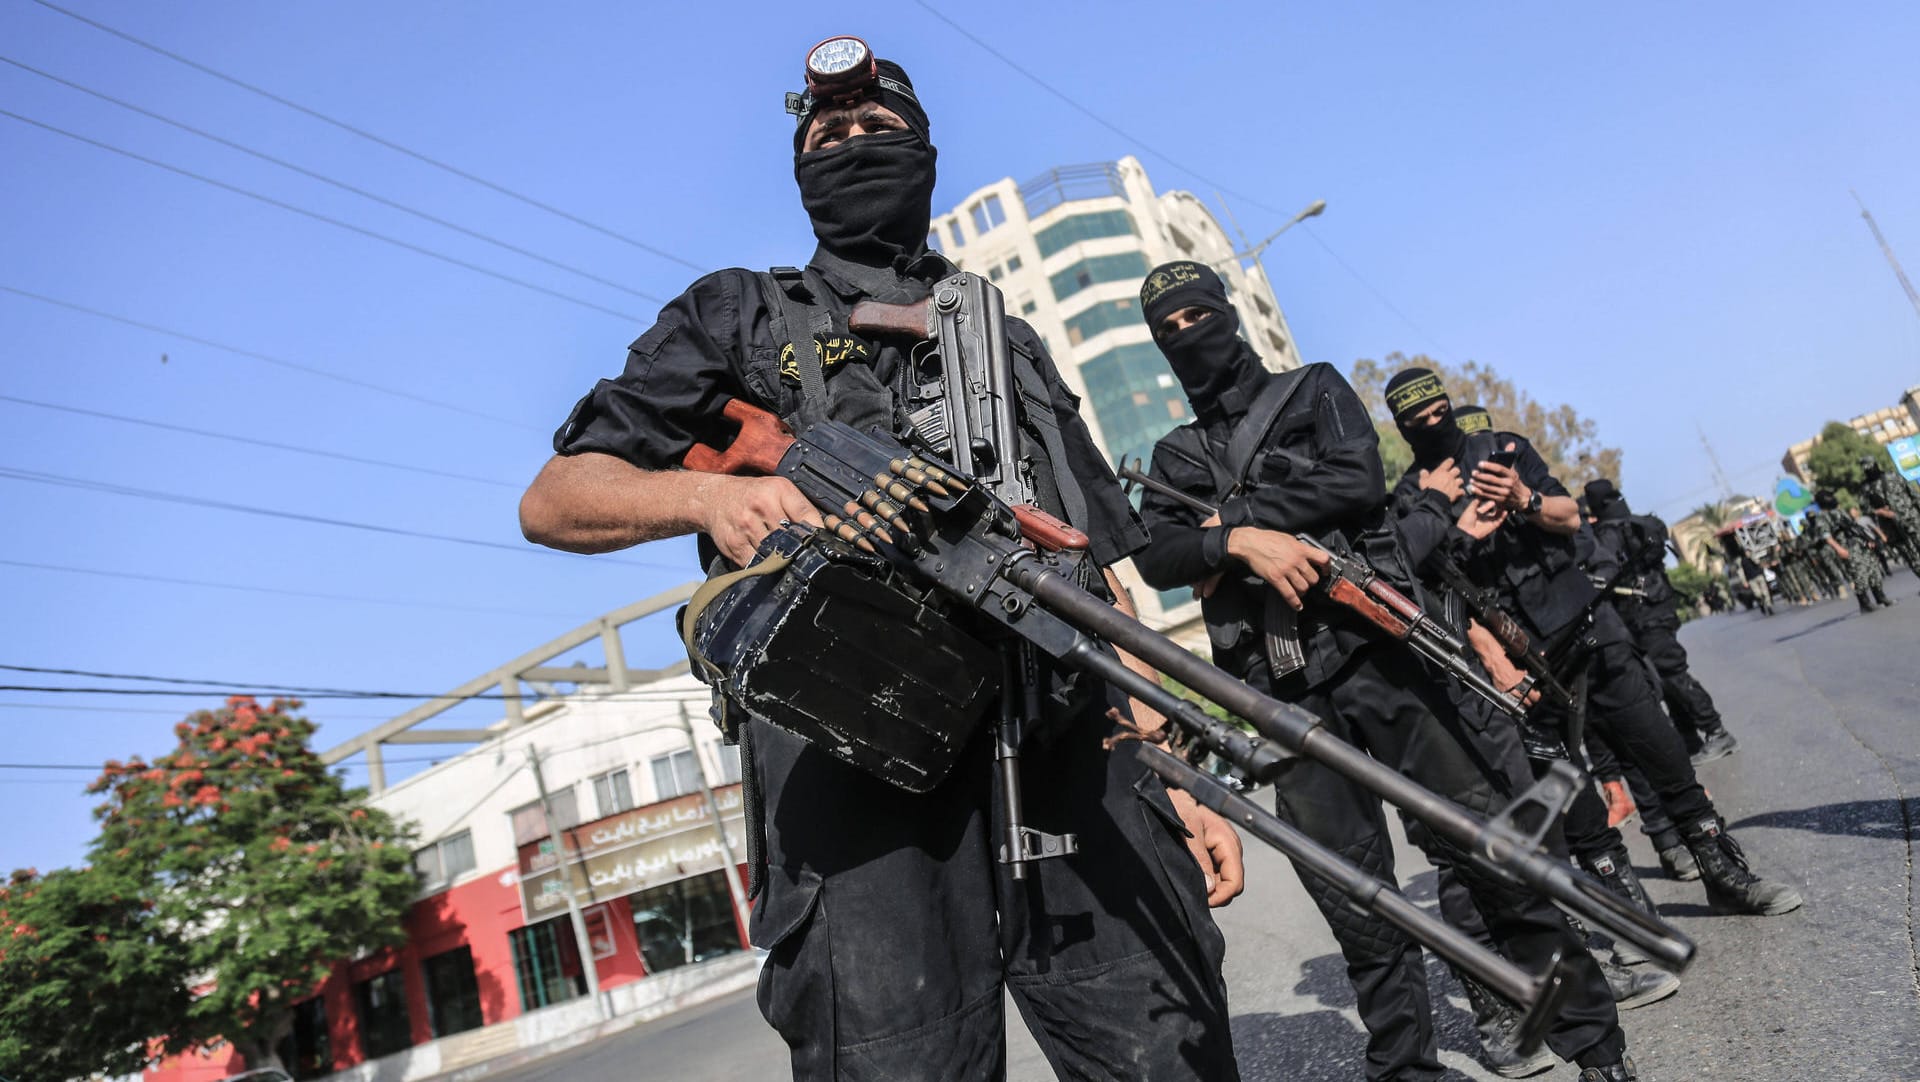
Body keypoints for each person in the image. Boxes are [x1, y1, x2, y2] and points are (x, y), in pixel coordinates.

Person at [519, 41, 1242, 1080]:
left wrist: (1171, 771)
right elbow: (555, 498)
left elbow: (1099, 571)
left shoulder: (1012, 341)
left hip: (1065, 729)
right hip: (850, 750)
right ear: (801, 172)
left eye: (876, 128)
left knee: (1169, 1038)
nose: (853, 144)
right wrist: (713, 496)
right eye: (827, 135)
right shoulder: (739, 314)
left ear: (925, 152)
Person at [1128, 263, 1642, 1082]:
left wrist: (1231, 523)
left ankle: (1597, 1048)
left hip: (1389, 659)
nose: (1188, 335)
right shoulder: (1175, 454)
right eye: (1169, 329)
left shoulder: (1311, 391)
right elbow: (1156, 553)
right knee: (1356, 904)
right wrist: (1237, 542)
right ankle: (1406, 1068)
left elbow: (1359, 481)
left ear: (1230, 315)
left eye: (1199, 315)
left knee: (1491, 856)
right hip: (1284, 685)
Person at [1385, 367, 1804, 929]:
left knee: (1660, 748)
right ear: (1402, 427)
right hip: (1517, 661)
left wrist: (1521, 496)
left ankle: (1723, 874)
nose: (1434, 425)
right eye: (1418, 421)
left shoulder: (1503, 449)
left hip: (1586, 626)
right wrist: (1489, 647)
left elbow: (1569, 516)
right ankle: (1630, 918)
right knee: (1573, 795)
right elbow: (1433, 591)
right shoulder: (1414, 498)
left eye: (1440, 412)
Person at [1582, 479, 1738, 765]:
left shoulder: (1609, 531)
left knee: (1671, 673)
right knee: (1663, 678)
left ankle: (1717, 731)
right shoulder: (1636, 522)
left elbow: (1606, 572)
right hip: (1659, 605)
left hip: (1642, 613)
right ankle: (1689, 737)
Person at [1808, 489, 1894, 613]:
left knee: (1873, 570)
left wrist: (1867, 539)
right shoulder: (1821, 517)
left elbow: (1854, 527)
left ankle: (1880, 597)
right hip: (1847, 547)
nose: (1833, 498)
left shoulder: (1839, 511)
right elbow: (1826, 536)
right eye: (1830, 497)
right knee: (1859, 575)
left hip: (1859, 544)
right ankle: (1864, 603)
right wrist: (1839, 549)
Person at [1859, 455, 1920, 579]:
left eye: (1871, 467)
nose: (1870, 471)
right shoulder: (1865, 488)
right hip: (1892, 528)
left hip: (1912, 520)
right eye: (1867, 469)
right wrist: (1880, 511)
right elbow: (1865, 509)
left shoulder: (1893, 476)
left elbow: (1913, 495)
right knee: (1911, 558)